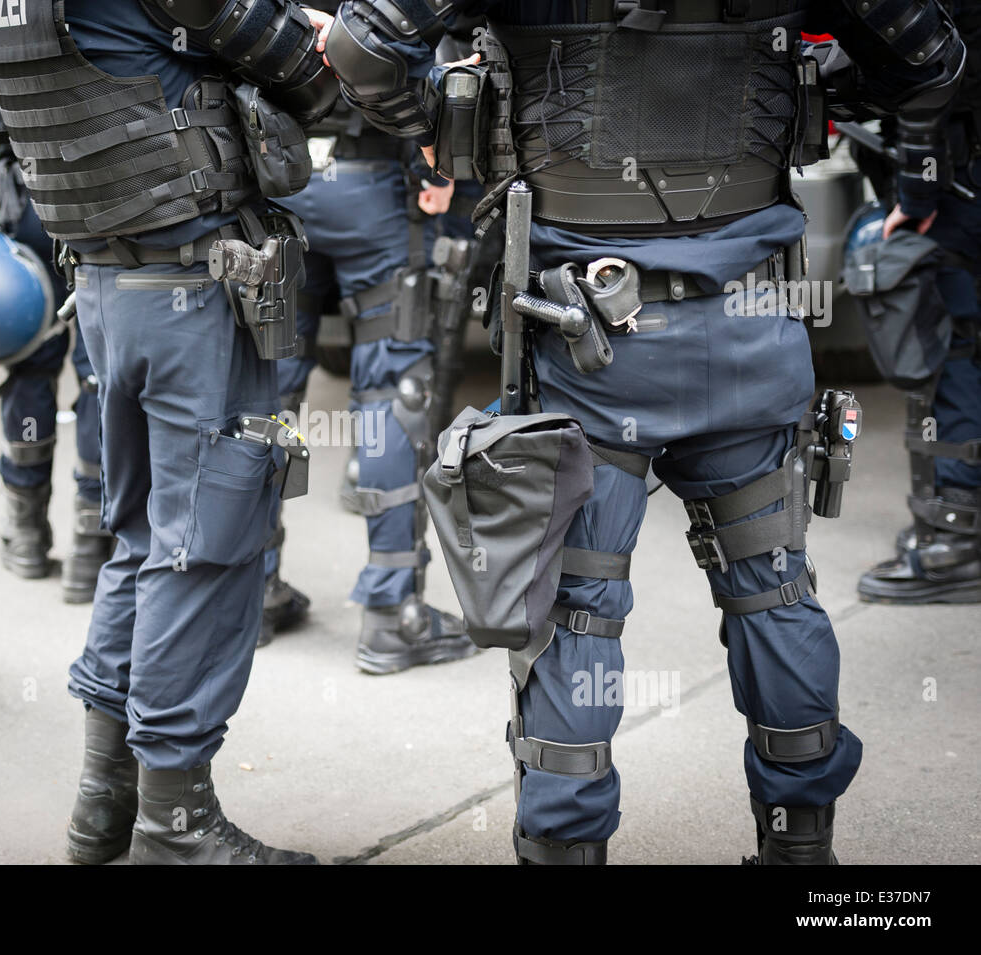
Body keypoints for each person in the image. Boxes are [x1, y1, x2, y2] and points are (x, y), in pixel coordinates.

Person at [321, 0, 965, 863]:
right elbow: (930, 58)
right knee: (775, 589)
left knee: (576, 613)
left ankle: (565, 847)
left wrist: (438, 122)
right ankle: (801, 849)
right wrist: (814, 91)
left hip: (582, 339)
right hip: (748, 321)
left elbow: (361, 46)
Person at [0, 0, 339, 864]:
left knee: (138, 540)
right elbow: (313, 74)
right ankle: (177, 823)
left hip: (106, 290)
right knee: (202, 551)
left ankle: (105, 805)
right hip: (192, 293)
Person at [258, 0, 475, 671]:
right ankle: (391, 611)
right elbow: (413, 42)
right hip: (373, 181)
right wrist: (435, 157)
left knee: (269, 390)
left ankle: (252, 588)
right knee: (392, 392)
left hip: (282, 179)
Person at [0, 1, 112, 602]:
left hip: (23, 190)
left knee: (29, 358)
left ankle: (25, 531)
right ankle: (92, 541)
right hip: (99, 196)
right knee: (98, 373)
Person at [855, 0, 980, 606]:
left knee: (952, 341)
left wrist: (917, 187)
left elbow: (930, 67)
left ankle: (956, 536)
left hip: (958, 169)